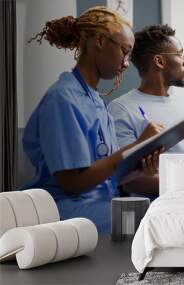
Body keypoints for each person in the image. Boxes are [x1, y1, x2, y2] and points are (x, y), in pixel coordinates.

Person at [22, 6, 164, 234]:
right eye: (124, 52)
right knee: (155, 223)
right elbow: (72, 184)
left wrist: (140, 167)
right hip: (68, 209)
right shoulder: (62, 99)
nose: (126, 63)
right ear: (99, 41)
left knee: (166, 212)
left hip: (103, 203)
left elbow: (109, 173)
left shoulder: (98, 103)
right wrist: (137, 144)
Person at [108, 24, 184, 197]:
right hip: (159, 210)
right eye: (180, 54)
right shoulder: (121, 109)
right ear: (159, 61)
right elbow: (130, 181)